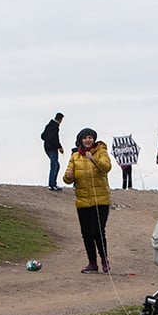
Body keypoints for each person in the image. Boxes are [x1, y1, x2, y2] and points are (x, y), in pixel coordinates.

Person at [63, 127, 112, 274]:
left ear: (94, 139)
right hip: (83, 201)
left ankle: (104, 259)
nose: (88, 140)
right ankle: (92, 263)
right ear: (80, 140)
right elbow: (66, 179)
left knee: (97, 231)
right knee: (86, 233)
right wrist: (69, 176)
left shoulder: (101, 151)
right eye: (85, 138)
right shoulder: (74, 156)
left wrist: (94, 159)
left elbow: (107, 167)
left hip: (101, 200)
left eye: (90, 137)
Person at [41, 112, 64, 191]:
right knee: (54, 165)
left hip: (46, 147)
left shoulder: (48, 125)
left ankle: (53, 183)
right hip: (52, 148)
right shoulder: (55, 127)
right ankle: (51, 184)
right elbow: (55, 138)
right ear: (60, 119)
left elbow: (42, 136)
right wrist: (59, 147)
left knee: (56, 165)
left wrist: (47, 141)